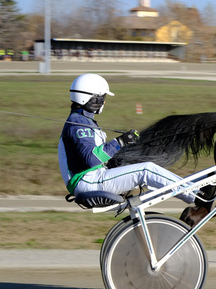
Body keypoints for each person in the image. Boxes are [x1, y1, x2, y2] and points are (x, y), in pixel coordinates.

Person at [58, 73, 200, 205]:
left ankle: (190, 188)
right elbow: (91, 158)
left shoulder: (81, 121)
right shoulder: (78, 124)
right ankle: (195, 194)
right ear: (92, 99)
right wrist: (120, 142)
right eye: (102, 98)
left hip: (90, 179)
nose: (104, 103)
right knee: (146, 170)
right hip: (89, 182)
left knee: (143, 166)